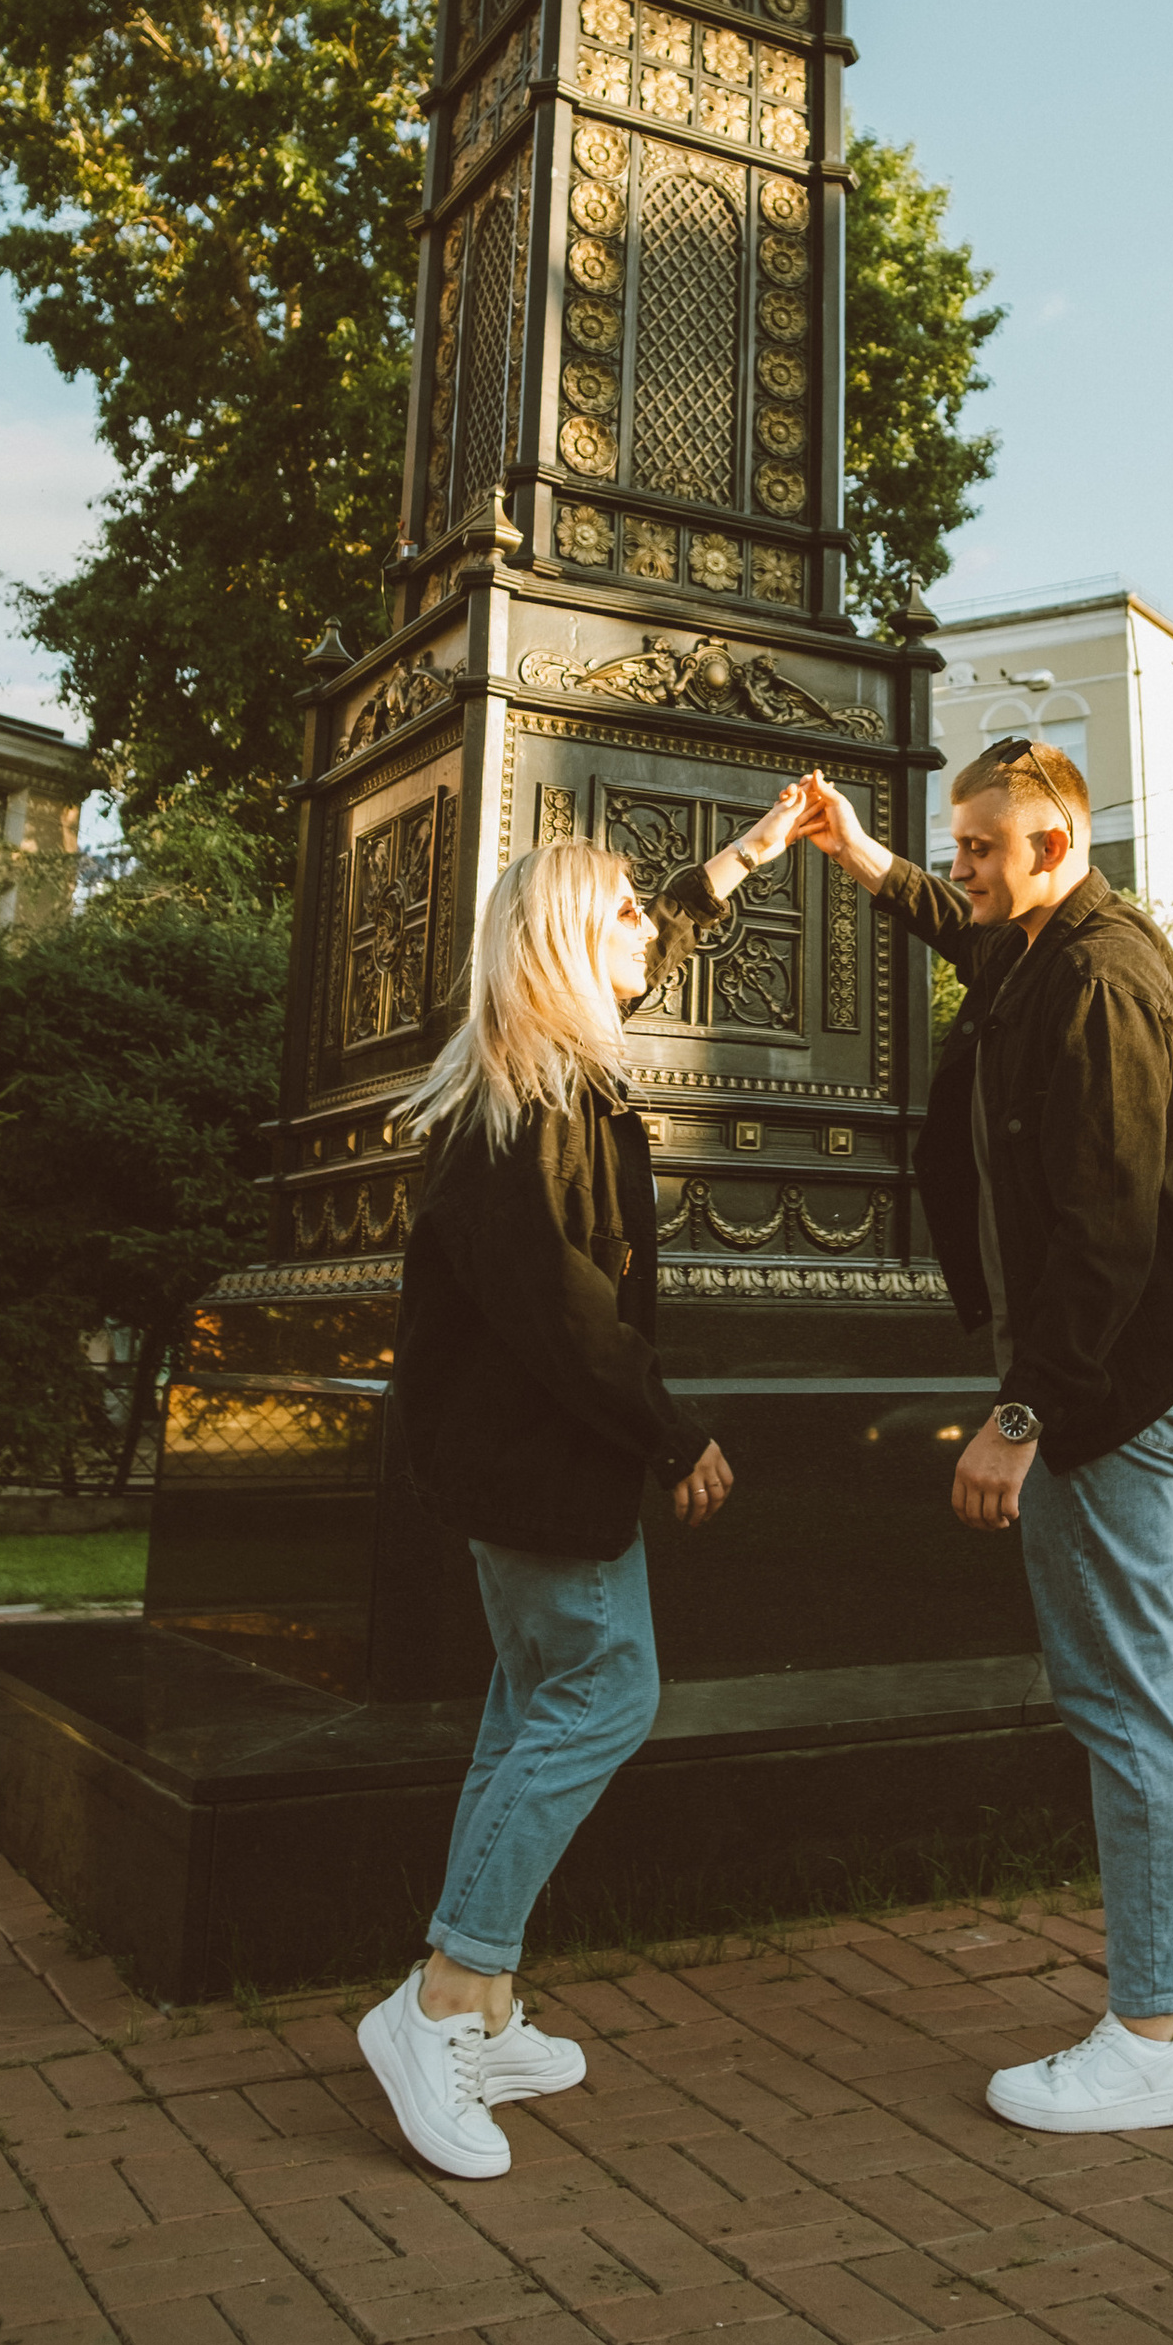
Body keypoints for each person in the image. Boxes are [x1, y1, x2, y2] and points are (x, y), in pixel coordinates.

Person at [791, 743, 1173, 2135]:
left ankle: (1148, 2038)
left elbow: (1105, 1234)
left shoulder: (1093, 983)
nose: (959, 867)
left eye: (979, 846)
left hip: (1106, 1383)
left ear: (1056, 843)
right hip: (1133, 1367)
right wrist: (864, 861)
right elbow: (965, 925)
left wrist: (1020, 1416)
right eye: (953, 846)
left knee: (1122, 1691)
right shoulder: (1050, 936)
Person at [357, 791, 809, 2180]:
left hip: (511, 1466)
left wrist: (738, 859)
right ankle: (440, 1997)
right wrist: (676, 1437)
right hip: (545, 1465)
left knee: (530, 1711)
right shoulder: (533, 1110)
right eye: (613, 911)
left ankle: (481, 2009)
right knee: (604, 1698)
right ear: (561, 942)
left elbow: (654, 934)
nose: (641, 930)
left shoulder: (532, 1082)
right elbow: (569, 1320)